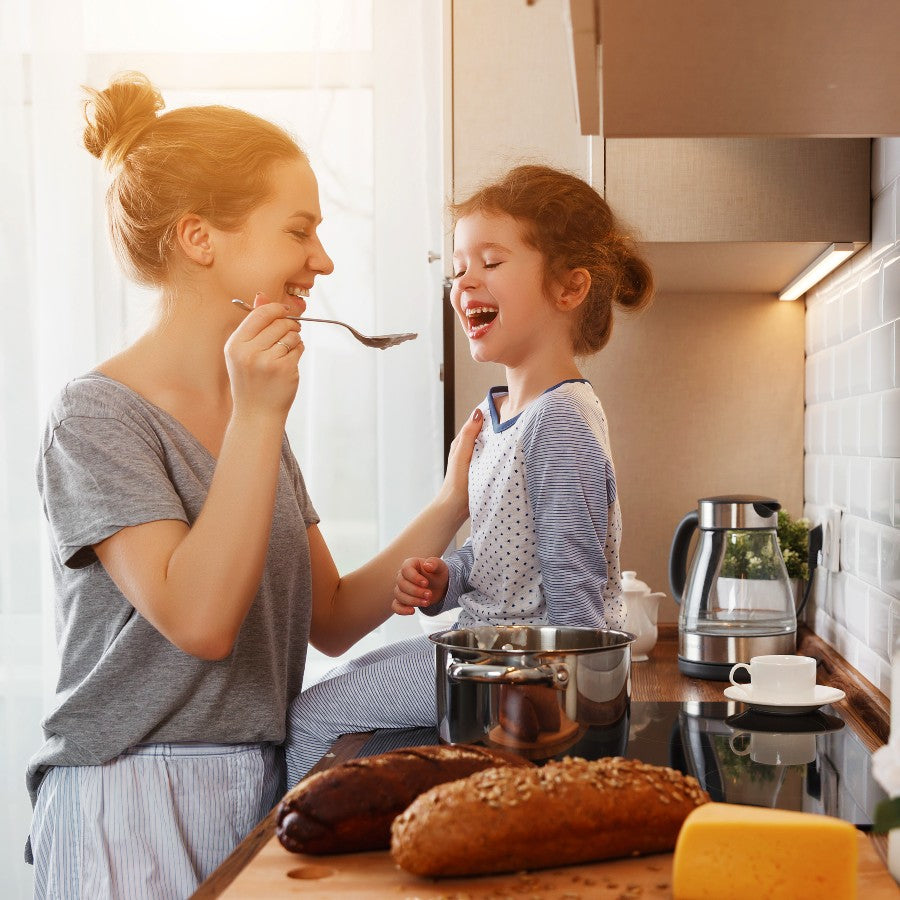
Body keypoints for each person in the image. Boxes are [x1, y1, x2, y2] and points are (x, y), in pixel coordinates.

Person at [25, 71, 481, 899]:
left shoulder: (251, 415)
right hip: (131, 798)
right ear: (201, 238)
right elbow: (198, 620)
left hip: (258, 787)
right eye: (299, 230)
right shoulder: (96, 419)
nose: (323, 260)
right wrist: (260, 421)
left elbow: (334, 616)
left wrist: (453, 499)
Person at [285, 163, 655, 783]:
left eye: (490, 261)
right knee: (372, 725)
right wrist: (446, 578)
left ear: (568, 289)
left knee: (318, 715)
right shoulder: (502, 416)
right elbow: (501, 555)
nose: (464, 283)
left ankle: (327, 859)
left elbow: (574, 583)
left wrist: (563, 714)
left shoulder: (560, 420)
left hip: (515, 671)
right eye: (458, 268)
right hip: (481, 654)